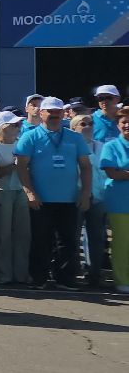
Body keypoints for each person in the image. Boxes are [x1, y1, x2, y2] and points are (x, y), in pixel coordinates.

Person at [14, 97, 92, 291]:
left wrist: (85, 193)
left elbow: (85, 167)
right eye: (50, 111)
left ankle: (64, 278)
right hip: (41, 199)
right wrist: (30, 193)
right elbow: (21, 166)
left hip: (69, 199)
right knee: (41, 240)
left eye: (58, 111)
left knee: (67, 241)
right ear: (41, 113)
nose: (54, 114)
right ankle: (38, 277)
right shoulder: (30, 136)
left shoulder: (74, 137)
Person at [0, 112, 30, 287]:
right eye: (14, 125)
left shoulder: (21, 145)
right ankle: (1, 273)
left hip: (20, 191)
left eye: (18, 125)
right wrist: (13, 165)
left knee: (22, 234)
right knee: (1, 234)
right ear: (3, 127)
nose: (18, 127)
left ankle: (20, 274)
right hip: (0, 191)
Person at [71, 111, 113, 288]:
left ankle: (94, 274)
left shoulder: (102, 147)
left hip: (99, 198)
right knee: (72, 238)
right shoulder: (70, 148)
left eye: (90, 124)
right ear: (73, 128)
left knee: (96, 237)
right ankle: (72, 273)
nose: (87, 127)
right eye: (83, 124)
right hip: (76, 197)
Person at [97, 112, 129, 290]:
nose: (127, 125)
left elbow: (121, 172)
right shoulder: (111, 146)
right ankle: (123, 280)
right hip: (120, 202)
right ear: (118, 125)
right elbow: (112, 173)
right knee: (122, 242)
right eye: (124, 122)